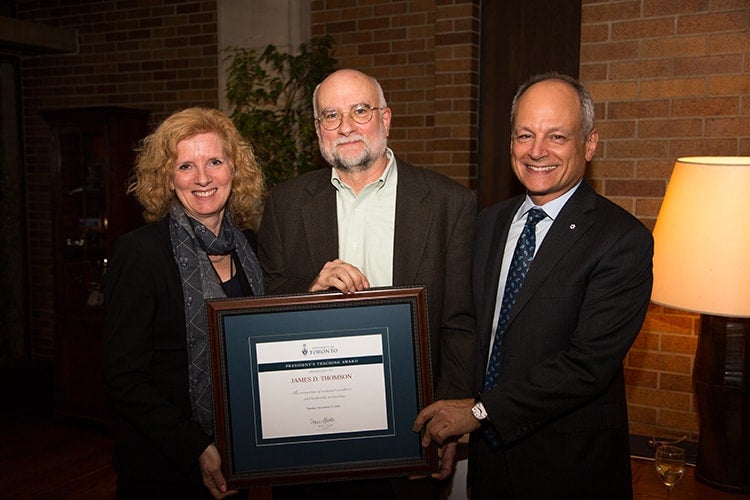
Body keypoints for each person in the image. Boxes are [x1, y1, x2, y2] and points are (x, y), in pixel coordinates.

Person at [413, 73, 654, 499]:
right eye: (525, 135)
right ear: (511, 143)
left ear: (590, 143)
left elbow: (586, 366)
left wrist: (479, 412)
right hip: (488, 464)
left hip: (569, 470)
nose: (537, 151)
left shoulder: (621, 240)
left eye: (556, 136)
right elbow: (469, 329)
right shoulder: (487, 223)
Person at [257, 68, 476, 498]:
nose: (346, 127)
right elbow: (263, 304)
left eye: (360, 111)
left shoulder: (450, 203)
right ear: (318, 128)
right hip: (311, 434)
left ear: (386, 118)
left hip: (411, 434)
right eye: (331, 116)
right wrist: (310, 288)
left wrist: (446, 423)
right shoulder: (285, 204)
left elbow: (459, 324)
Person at [103, 107, 265, 499]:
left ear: (234, 170)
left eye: (214, 161)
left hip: (238, 453)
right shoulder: (140, 253)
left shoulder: (252, 250)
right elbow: (123, 377)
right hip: (163, 465)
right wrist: (194, 446)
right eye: (186, 166)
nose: (203, 178)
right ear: (167, 177)